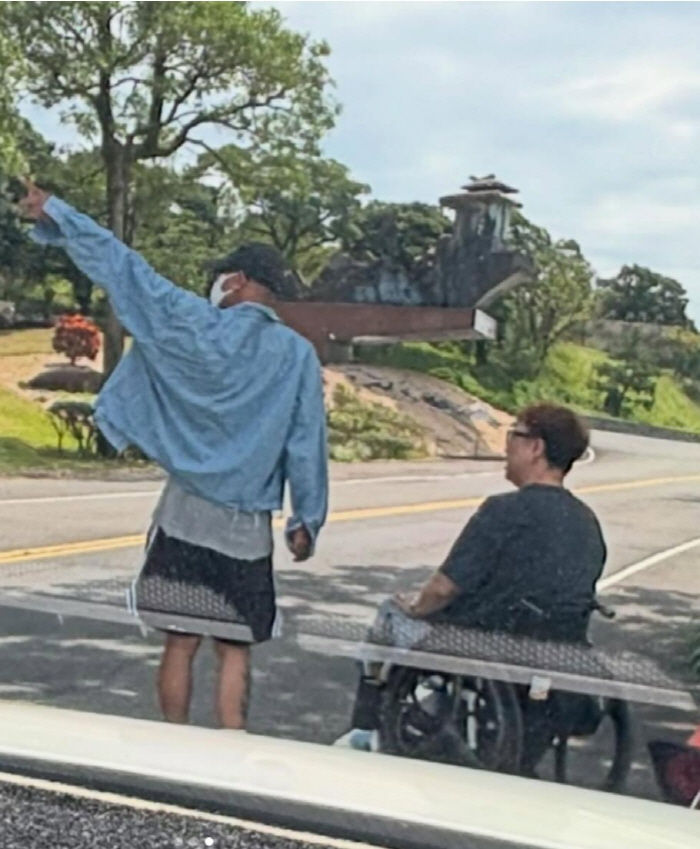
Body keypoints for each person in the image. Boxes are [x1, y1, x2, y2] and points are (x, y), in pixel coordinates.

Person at [19, 179, 328, 731]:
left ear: (237, 280)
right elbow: (306, 440)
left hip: (184, 516)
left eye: (223, 275)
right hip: (245, 529)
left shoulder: (188, 321)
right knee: (234, 649)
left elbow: (124, 268)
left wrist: (57, 213)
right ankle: (231, 747)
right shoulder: (297, 355)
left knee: (180, 643)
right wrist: (307, 518)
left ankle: (173, 746)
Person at [339, 402, 606, 768]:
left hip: (486, 641)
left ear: (536, 447)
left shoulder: (504, 510)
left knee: (391, 612)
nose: (506, 445)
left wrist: (414, 607)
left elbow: (444, 588)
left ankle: (366, 731)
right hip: (556, 645)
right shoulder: (587, 522)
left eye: (513, 435)